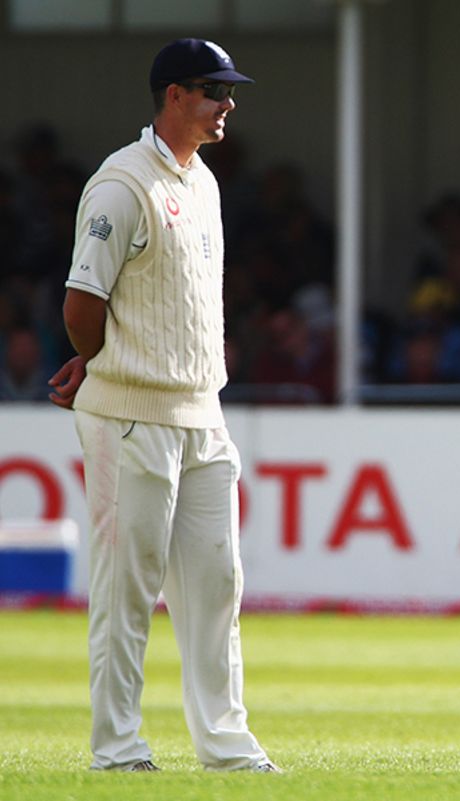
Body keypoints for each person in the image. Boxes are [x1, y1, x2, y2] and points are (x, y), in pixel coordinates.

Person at [47, 38, 278, 773]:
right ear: (173, 95)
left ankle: (227, 747)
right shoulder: (123, 182)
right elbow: (82, 299)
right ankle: (117, 749)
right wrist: (99, 362)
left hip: (202, 413)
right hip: (131, 414)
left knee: (218, 584)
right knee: (128, 587)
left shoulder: (201, 181)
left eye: (228, 91)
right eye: (213, 91)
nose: (226, 105)